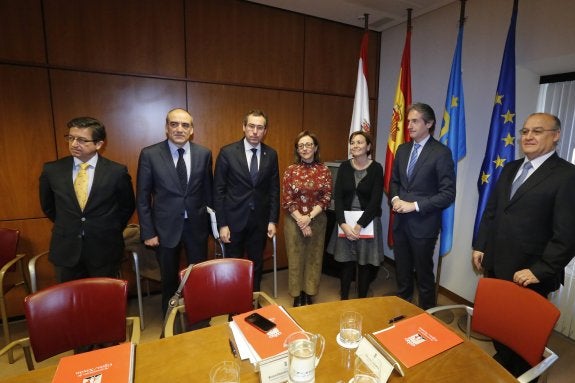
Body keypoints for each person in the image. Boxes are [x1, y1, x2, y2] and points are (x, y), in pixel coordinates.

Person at [473, 112, 575, 377]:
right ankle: (505, 367)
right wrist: (480, 245)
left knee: (523, 340)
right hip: (495, 264)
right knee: (498, 328)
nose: (528, 137)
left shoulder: (567, 175)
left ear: (556, 136)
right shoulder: (510, 167)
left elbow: (567, 234)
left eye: (537, 131)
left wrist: (540, 270)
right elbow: (493, 211)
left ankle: (524, 375)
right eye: (525, 131)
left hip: (528, 275)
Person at [39, 117, 135, 282]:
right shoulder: (52, 170)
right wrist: (71, 224)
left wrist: (107, 228)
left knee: (104, 301)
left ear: (98, 144)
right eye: (71, 138)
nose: (74, 144)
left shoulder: (116, 172)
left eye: (82, 140)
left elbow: (127, 206)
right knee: (69, 301)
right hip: (66, 248)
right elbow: (48, 206)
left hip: (104, 248)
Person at [136, 108, 213, 314]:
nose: (179, 129)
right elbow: (143, 197)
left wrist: (214, 226)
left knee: (198, 275)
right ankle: (169, 318)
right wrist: (148, 232)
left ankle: (200, 316)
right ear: (166, 128)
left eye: (185, 125)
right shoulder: (150, 154)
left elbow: (208, 193)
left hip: (196, 227)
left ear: (192, 130)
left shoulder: (204, 154)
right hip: (164, 228)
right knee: (169, 278)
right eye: (174, 124)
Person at [390, 102, 455, 310]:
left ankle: (427, 317)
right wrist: (395, 200)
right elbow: (394, 182)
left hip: (424, 225)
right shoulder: (402, 149)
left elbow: (447, 194)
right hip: (401, 223)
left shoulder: (441, 152)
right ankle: (403, 309)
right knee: (402, 271)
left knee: (424, 276)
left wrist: (414, 205)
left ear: (429, 123)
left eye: (414, 121)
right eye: (408, 121)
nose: (408, 125)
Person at [213, 109, 280, 291]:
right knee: (233, 267)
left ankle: (253, 303)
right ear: (244, 127)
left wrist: (273, 220)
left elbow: (274, 189)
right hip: (233, 222)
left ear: (265, 131)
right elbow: (218, 191)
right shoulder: (227, 152)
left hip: (259, 222)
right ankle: (233, 308)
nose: (255, 131)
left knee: (256, 265)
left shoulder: (271, 155)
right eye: (251, 126)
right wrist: (222, 224)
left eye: (260, 127)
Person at [327, 131, 385, 299]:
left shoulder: (376, 168)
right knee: (346, 262)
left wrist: (359, 226)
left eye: (360, 142)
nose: (355, 145)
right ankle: (344, 297)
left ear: (368, 146)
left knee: (365, 263)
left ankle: (362, 299)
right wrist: (343, 224)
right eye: (352, 142)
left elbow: (375, 201)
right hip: (345, 221)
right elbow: (337, 197)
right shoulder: (345, 166)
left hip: (367, 222)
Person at [282, 131, 332, 306]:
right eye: (301, 145)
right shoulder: (290, 170)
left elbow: (326, 198)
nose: (305, 148)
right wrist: (301, 221)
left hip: (317, 220)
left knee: (314, 257)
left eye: (309, 144)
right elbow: (287, 198)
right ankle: (297, 295)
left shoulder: (324, 170)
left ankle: (309, 293)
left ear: (315, 147)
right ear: (297, 149)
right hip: (293, 221)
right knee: (295, 258)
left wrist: (309, 218)